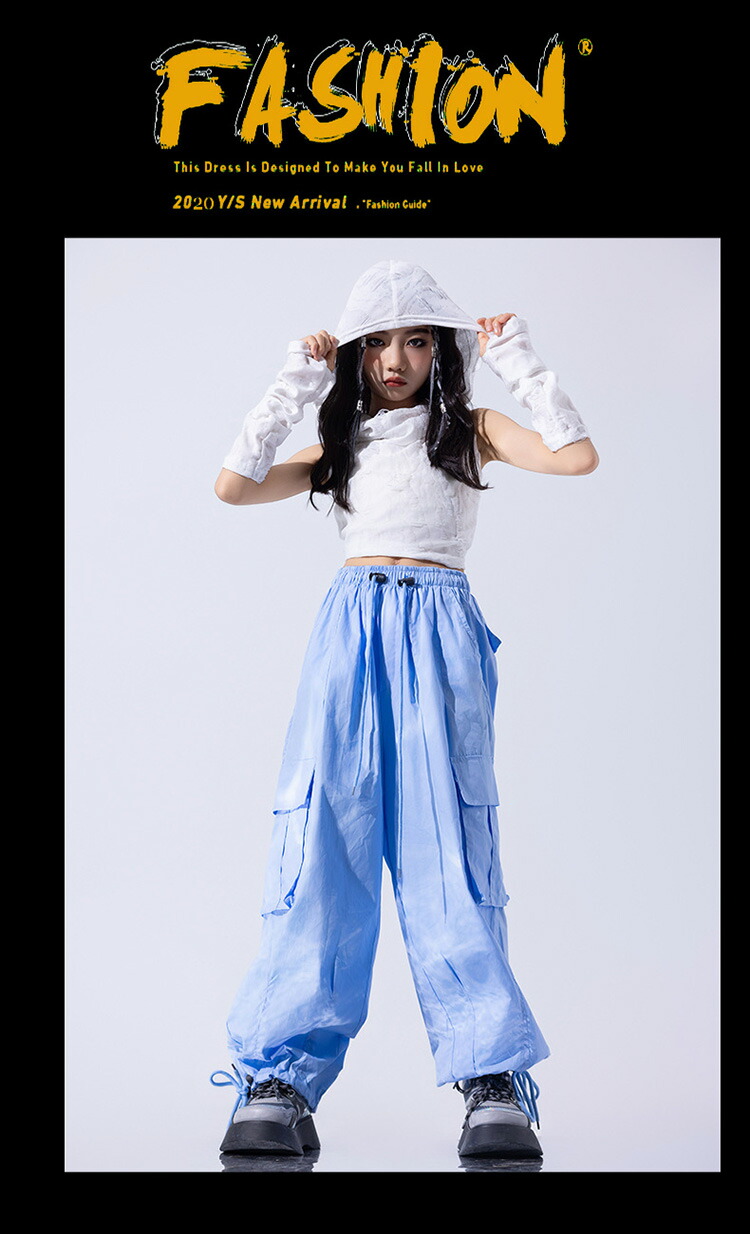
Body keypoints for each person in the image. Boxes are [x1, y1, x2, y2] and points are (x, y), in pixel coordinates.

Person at [209, 259, 599, 1162]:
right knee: (323, 845)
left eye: (417, 340)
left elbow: (576, 456)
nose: (396, 360)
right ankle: (279, 1081)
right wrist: (293, 382)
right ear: (354, 353)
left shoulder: (471, 432)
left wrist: (520, 360)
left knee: (449, 850)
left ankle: (491, 1079)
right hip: (349, 635)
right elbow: (234, 485)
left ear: (442, 349)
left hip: (441, 633)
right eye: (377, 342)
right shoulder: (341, 441)